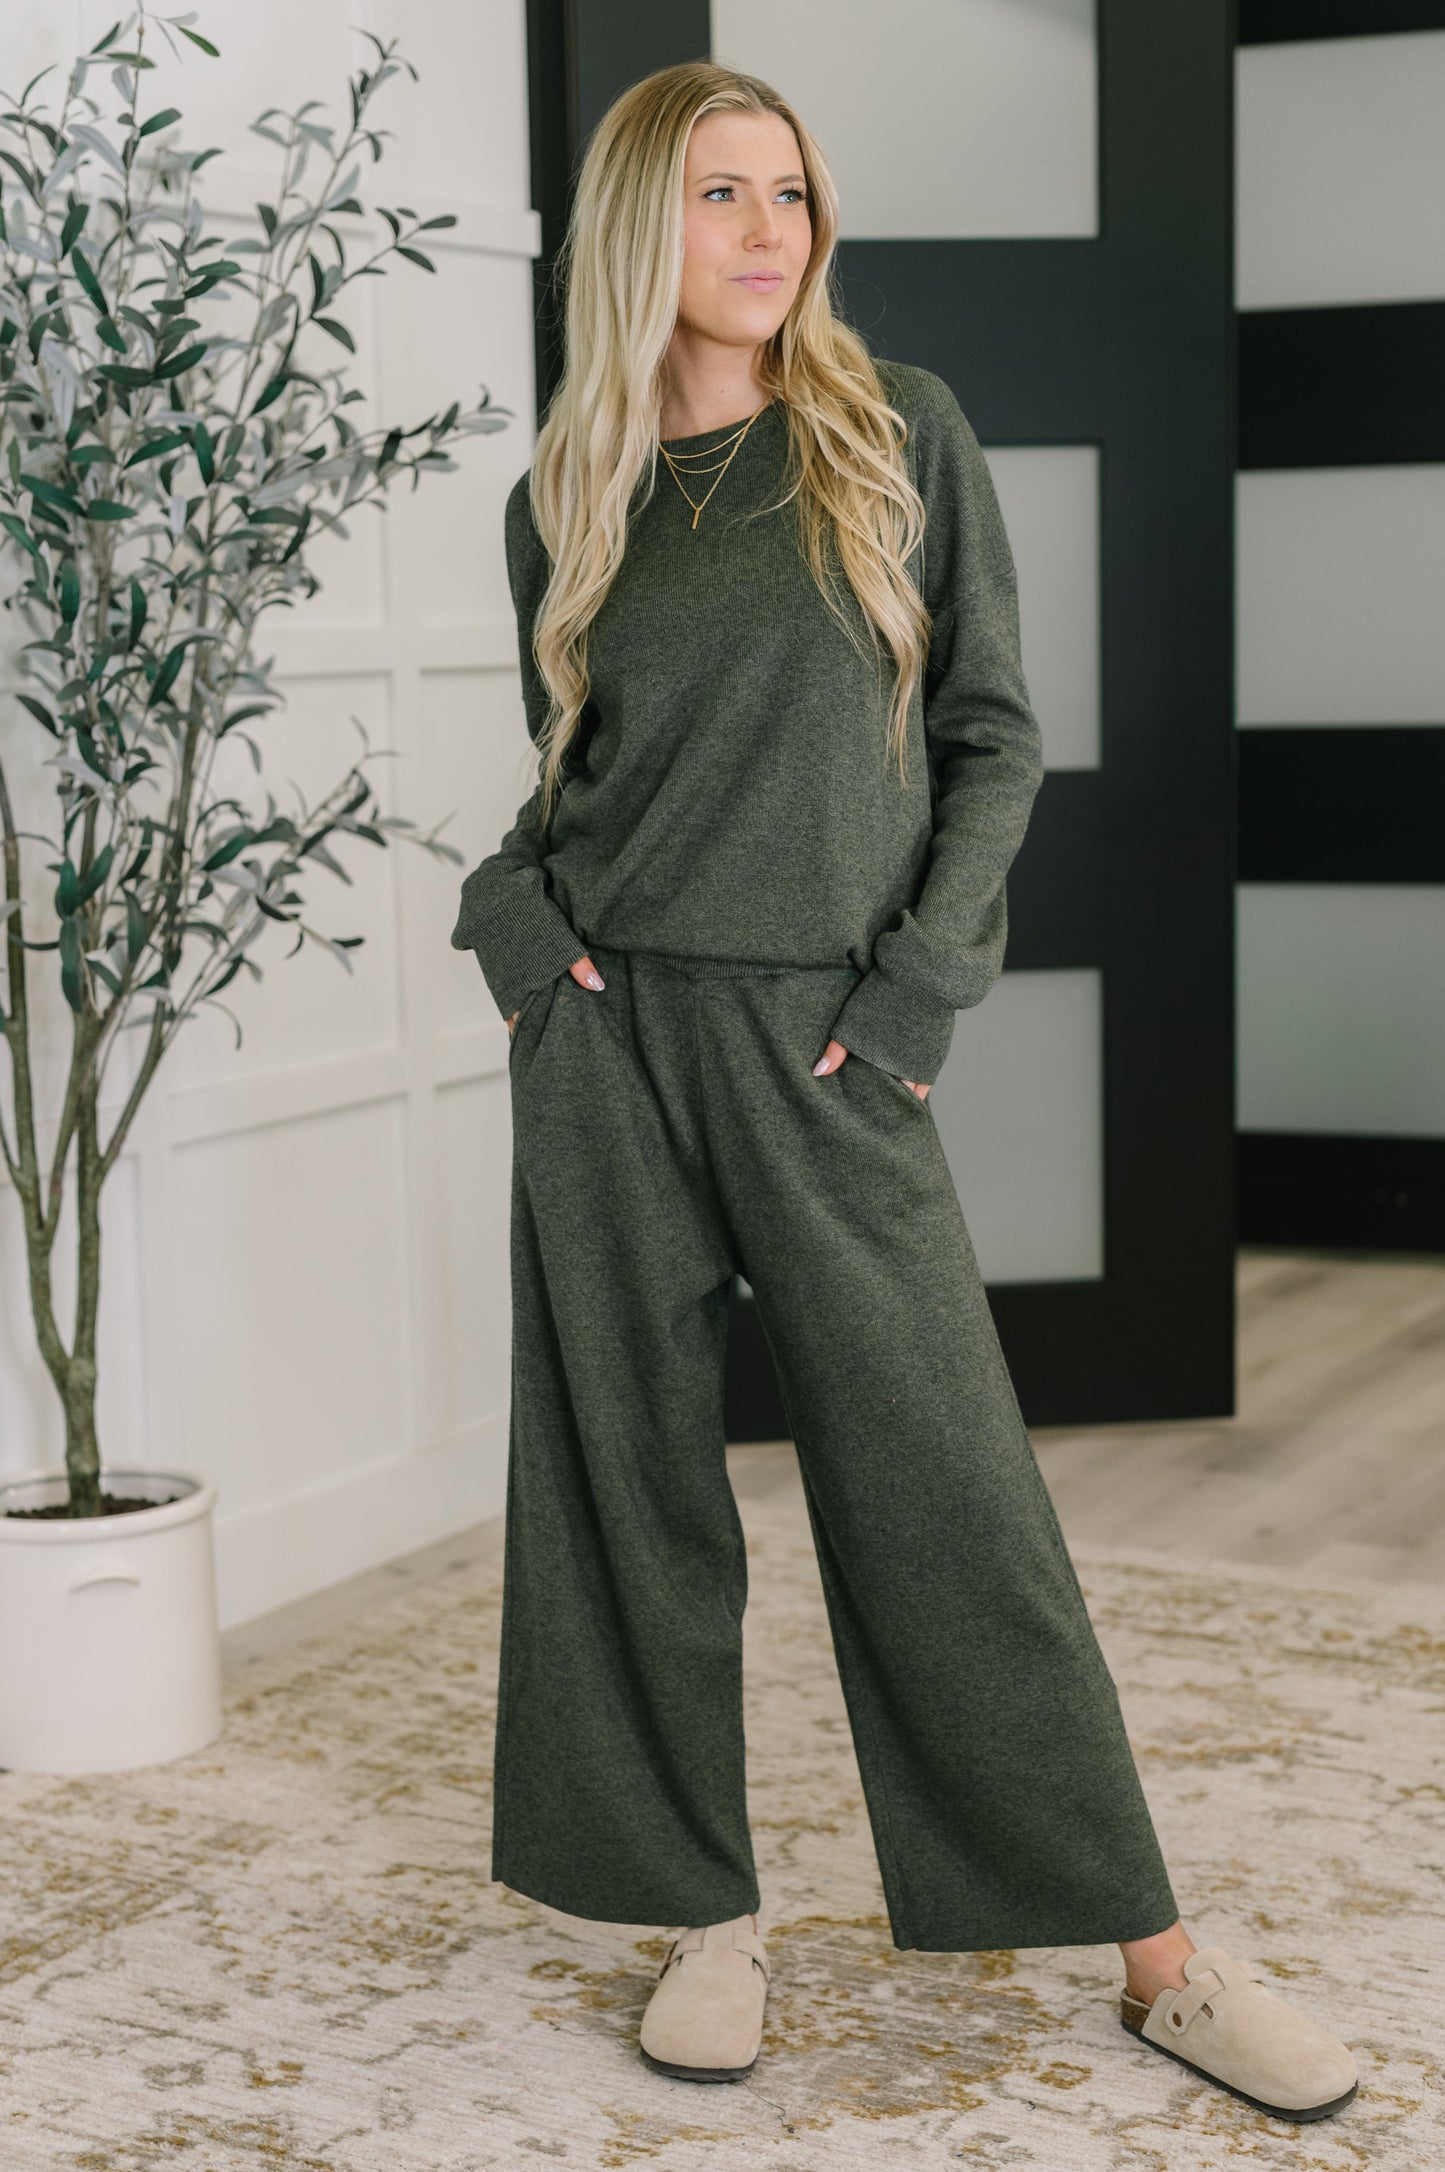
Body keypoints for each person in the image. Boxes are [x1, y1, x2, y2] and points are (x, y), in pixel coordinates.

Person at [449, 58, 1357, 2125]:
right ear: (635, 233)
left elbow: (995, 737)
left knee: (950, 1501)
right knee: (627, 1494)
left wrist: (922, 989)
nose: (768, 232)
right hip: (607, 1043)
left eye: (789, 193)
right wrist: (524, 945)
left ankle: (1159, 1955)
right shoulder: (561, 497)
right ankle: (703, 1911)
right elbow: (569, 791)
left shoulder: (893, 437)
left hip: (828, 1041)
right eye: (717, 196)